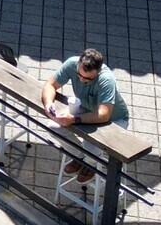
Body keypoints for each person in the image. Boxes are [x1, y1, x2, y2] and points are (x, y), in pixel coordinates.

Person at [42, 48, 129, 184]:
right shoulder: (72, 63)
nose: (82, 80)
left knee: (91, 145)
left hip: (114, 119)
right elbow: (50, 85)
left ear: (98, 71)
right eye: (79, 74)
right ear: (78, 64)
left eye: (88, 78)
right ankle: (80, 157)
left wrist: (75, 119)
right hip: (87, 108)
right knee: (53, 126)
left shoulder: (106, 79)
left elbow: (103, 115)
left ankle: (91, 165)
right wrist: (48, 103)